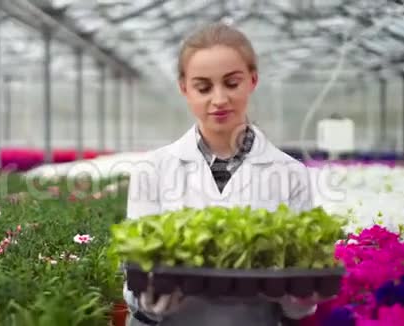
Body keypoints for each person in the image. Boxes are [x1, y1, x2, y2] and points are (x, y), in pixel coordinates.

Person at [123, 22, 323, 326]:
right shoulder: (152, 169)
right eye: (203, 87)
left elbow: (298, 306)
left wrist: (301, 293)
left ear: (252, 81)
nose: (219, 99)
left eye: (232, 83)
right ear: (184, 89)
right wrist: (150, 299)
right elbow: (135, 282)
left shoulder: (291, 173)